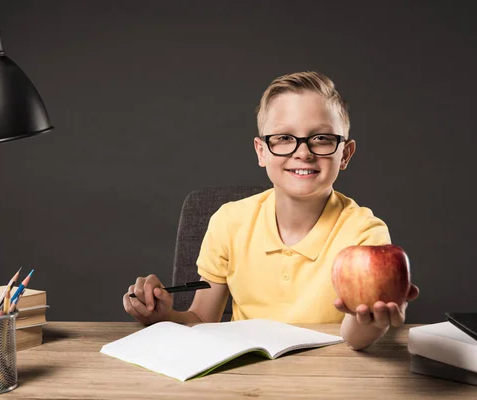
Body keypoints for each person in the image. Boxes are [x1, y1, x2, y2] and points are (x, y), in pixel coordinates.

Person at [124, 71, 420, 350]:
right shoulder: (229, 221)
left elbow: (354, 340)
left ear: (345, 153)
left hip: (326, 378)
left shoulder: (365, 233)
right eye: (283, 138)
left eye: (322, 138)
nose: (303, 152)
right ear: (261, 151)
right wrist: (162, 316)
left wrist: (368, 321)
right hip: (243, 374)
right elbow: (202, 320)